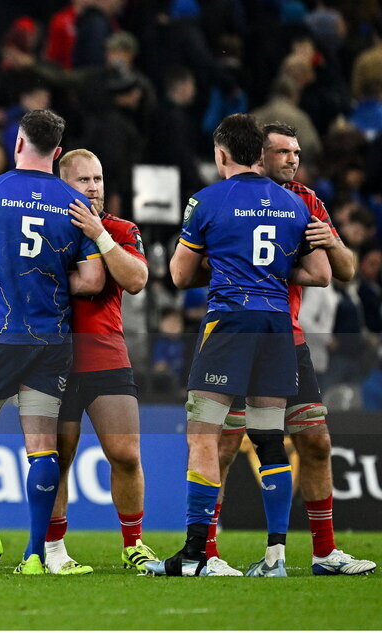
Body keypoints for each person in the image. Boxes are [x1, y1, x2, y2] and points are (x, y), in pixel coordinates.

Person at [146, 114, 330, 577]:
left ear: (222, 154)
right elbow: (316, 273)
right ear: (260, 154)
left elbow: (181, 275)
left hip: (230, 321)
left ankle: (195, 555)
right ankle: (276, 558)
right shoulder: (295, 207)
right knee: (270, 439)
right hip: (276, 327)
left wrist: (228, 262)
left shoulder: (207, 199)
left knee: (204, 434)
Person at [0, 109, 105, 574]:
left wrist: (0, 269)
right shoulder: (73, 202)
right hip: (51, 340)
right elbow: (93, 280)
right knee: (41, 445)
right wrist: (47, 276)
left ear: (17, 143)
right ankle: (35, 555)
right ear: (57, 152)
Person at [211, 124, 376, 576]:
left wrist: (329, 240)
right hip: (239, 336)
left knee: (316, 443)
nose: (293, 159)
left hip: (289, 340)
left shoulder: (306, 201)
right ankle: (208, 548)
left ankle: (324, 553)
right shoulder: (227, 198)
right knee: (223, 446)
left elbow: (339, 270)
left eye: (297, 152)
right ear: (258, 157)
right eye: (283, 152)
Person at [40, 148, 156, 574]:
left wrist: (98, 234)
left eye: (98, 179)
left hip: (106, 356)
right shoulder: (45, 231)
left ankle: (134, 544)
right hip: (53, 361)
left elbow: (137, 279)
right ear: (61, 186)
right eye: (83, 180)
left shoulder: (121, 229)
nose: (93, 187)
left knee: (125, 453)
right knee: (57, 458)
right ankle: (54, 550)